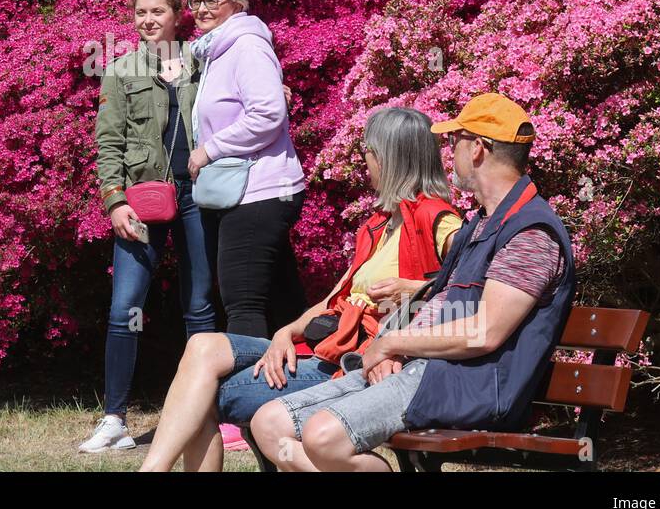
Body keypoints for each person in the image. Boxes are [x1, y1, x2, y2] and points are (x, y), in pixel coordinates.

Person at [249, 93, 576, 472]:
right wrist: (398, 352)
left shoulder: (529, 233)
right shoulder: (484, 224)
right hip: (429, 370)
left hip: (471, 385)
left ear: (479, 149)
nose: (448, 152)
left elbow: (485, 332)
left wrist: (391, 342)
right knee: (269, 424)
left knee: (324, 437)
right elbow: (441, 303)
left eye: (455, 141)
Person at [140, 106, 460, 471]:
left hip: (353, 358)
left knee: (204, 394)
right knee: (202, 346)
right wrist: (285, 333)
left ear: (391, 158)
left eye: (368, 152)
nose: (364, 161)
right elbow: (333, 299)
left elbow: (469, 287)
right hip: (328, 340)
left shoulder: (437, 219)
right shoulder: (378, 224)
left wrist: (414, 287)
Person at [80, 0, 216, 452]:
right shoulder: (120, 70)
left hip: (199, 195)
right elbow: (107, 142)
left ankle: (205, 413)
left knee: (198, 306)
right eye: (140, 13)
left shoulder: (205, 63)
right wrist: (114, 200)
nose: (148, 21)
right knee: (125, 309)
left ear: (177, 14)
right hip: (143, 198)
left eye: (157, 12)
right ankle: (114, 418)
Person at [186, 0, 307, 338]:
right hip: (243, 190)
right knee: (282, 299)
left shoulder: (247, 46)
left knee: (243, 303)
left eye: (212, 0)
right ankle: (314, 385)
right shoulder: (216, 51)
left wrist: (210, 149)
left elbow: (268, 113)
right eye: (195, 1)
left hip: (257, 191)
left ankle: (246, 397)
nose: (202, 9)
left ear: (236, 2)